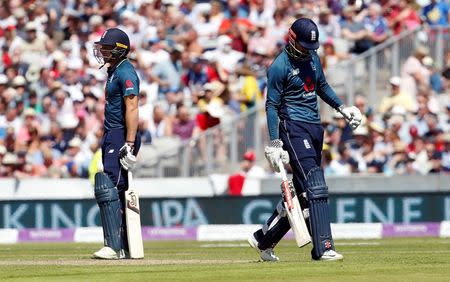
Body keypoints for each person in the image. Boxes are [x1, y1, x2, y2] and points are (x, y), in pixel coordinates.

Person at [247, 18, 362, 262]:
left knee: (301, 193)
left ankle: (263, 239)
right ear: (291, 38)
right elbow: (271, 106)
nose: (308, 51)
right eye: (303, 46)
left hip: (314, 126)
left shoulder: (312, 57)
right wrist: (275, 142)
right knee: (314, 182)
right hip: (293, 126)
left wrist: (342, 108)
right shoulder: (279, 66)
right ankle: (323, 247)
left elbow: (321, 86)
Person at [91, 28, 142, 259]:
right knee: (113, 187)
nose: (102, 51)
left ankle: (115, 246)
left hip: (122, 134)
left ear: (119, 50)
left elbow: (132, 107)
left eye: (106, 47)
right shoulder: (114, 71)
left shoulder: (126, 72)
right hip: (112, 133)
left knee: (111, 187)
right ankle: (122, 244)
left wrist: (129, 143)